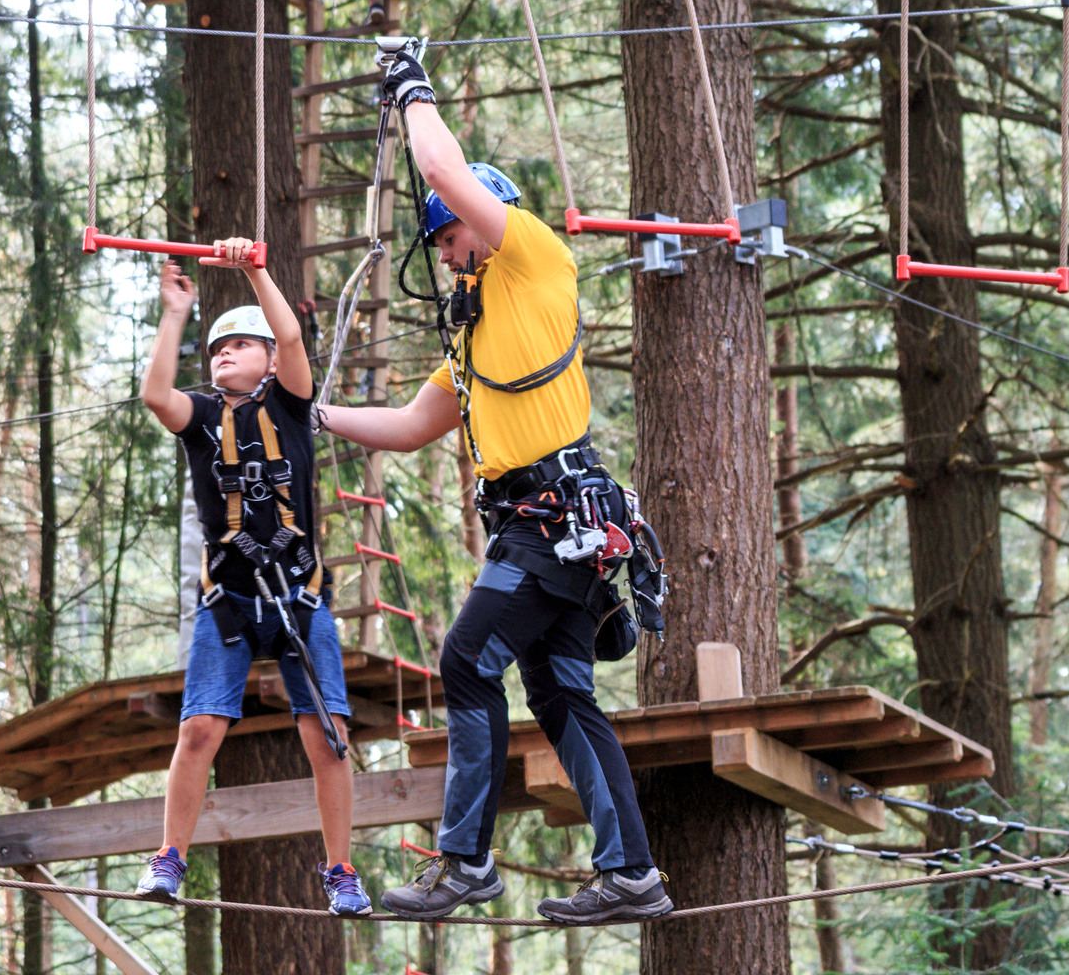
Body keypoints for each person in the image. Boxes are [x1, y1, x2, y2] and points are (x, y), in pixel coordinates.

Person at [314, 54, 672, 925]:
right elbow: (406, 423)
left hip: (553, 526)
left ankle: (464, 862)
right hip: (559, 532)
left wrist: (411, 93)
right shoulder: (474, 349)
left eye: (447, 238)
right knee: (559, 694)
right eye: (437, 244)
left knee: (466, 663)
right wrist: (318, 416)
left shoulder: (533, 258)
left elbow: (441, 168)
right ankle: (632, 874)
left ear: (487, 221)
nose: (443, 257)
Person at [135, 241, 371, 917]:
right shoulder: (202, 420)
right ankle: (169, 856)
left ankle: (340, 869)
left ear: (269, 359)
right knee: (200, 731)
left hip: (299, 597)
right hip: (231, 603)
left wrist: (254, 271)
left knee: (327, 736)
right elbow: (156, 394)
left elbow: (292, 334)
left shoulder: (294, 407)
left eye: (242, 345)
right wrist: (176, 314)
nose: (226, 355)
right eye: (218, 350)